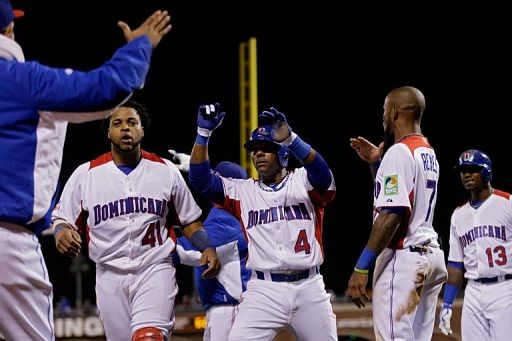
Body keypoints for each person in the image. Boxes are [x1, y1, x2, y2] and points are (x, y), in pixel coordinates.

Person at [0, 0, 171, 339]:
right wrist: (139, 46)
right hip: (8, 243)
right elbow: (107, 88)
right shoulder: (20, 80)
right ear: (9, 30)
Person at [51, 101, 220, 341]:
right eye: (117, 123)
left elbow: (189, 221)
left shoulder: (165, 171)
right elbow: (61, 219)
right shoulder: (86, 174)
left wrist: (207, 246)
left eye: (132, 122)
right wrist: (61, 232)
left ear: (142, 130)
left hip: (155, 268)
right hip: (108, 275)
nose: (125, 129)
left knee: (148, 337)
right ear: (109, 132)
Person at [188, 103, 337, 340]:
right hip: (264, 290)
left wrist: (291, 139)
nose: (257, 153)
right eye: (254, 149)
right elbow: (200, 180)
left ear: (283, 154)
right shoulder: (242, 191)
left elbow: (323, 175)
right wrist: (203, 135)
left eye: (265, 148)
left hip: (309, 288)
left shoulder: (303, 181)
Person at [347, 86, 447, 340]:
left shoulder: (399, 152)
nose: (382, 116)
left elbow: (392, 213)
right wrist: (376, 163)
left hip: (405, 260)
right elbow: (396, 195)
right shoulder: (427, 151)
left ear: (393, 112)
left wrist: (361, 267)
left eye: (384, 110)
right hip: (430, 257)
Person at [169, 155, 251, 341]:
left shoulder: (224, 219)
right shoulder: (239, 214)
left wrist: (154, 233)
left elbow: (183, 252)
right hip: (234, 307)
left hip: (229, 309)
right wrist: (197, 167)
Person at [438, 149, 512, 340]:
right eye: (463, 170)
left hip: (505, 288)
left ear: (486, 172)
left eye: (473, 169)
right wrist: (447, 304)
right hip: (473, 292)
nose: (467, 174)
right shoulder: (458, 215)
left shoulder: (508, 203)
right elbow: (455, 265)